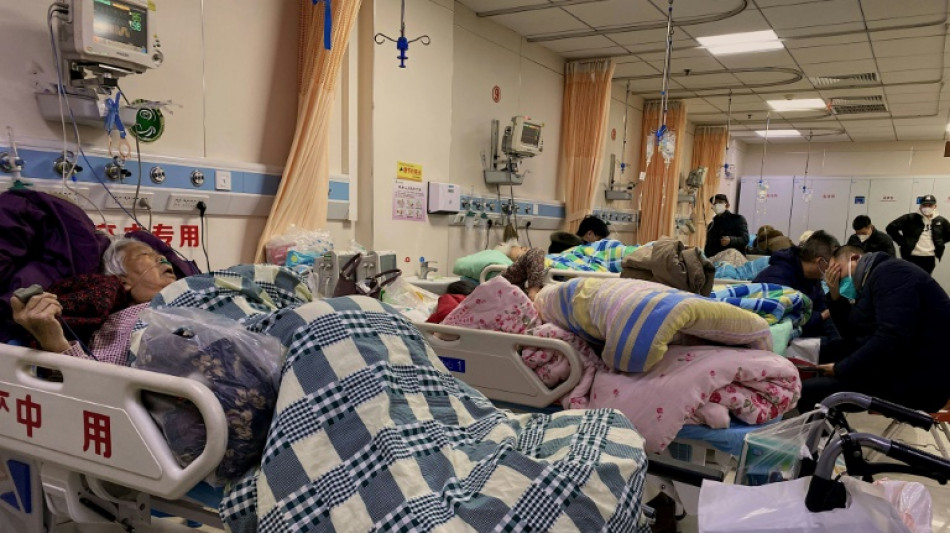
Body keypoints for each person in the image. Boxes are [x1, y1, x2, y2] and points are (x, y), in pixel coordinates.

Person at [801, 245, 950, 412]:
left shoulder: (892, 274)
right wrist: (836, 296)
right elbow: (853, 334)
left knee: (810, 391)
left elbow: (890, 338)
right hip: (902, 365)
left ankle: (822, 427)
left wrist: (840, 369)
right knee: (827, 352)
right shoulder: (873, 281)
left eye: (837, 272)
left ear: (855, 259)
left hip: (920, 380)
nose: (835, 280)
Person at [10, 238, 180, 363]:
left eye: (159, 255)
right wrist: (53, 341)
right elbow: (98, 386)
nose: (162, 258)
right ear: (122, 281)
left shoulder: (190, 295)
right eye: (145, 254)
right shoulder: (122, 324)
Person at [752, 230, 839, 338]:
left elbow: (822, 308)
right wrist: (821, 316)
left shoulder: (812, 278)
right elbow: (785, 323)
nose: (834, 270)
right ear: (820, 262)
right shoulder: (777, 277)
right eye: (833, 265)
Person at [886, 194, 950, 274]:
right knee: (908, 278)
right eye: (924, 205)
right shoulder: (910, 218)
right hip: (911, 256)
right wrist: (903, 242)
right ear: (920, 206)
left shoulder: (941, 221)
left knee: (925, 279)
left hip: (929, 257)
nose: (927, 208)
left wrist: (939, 242)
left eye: (930, 205)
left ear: (935, 206)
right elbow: (890, 228)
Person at [704, 194, 749, 258]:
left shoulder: (737, 219)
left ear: (727, 205)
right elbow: (708, 247)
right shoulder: (711, 226)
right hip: (715, 260)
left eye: (720, 202)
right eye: (714, 203)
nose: (717, 205)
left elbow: (745, 239)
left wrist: (731, 240)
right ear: (712, 207)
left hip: (734, 259)